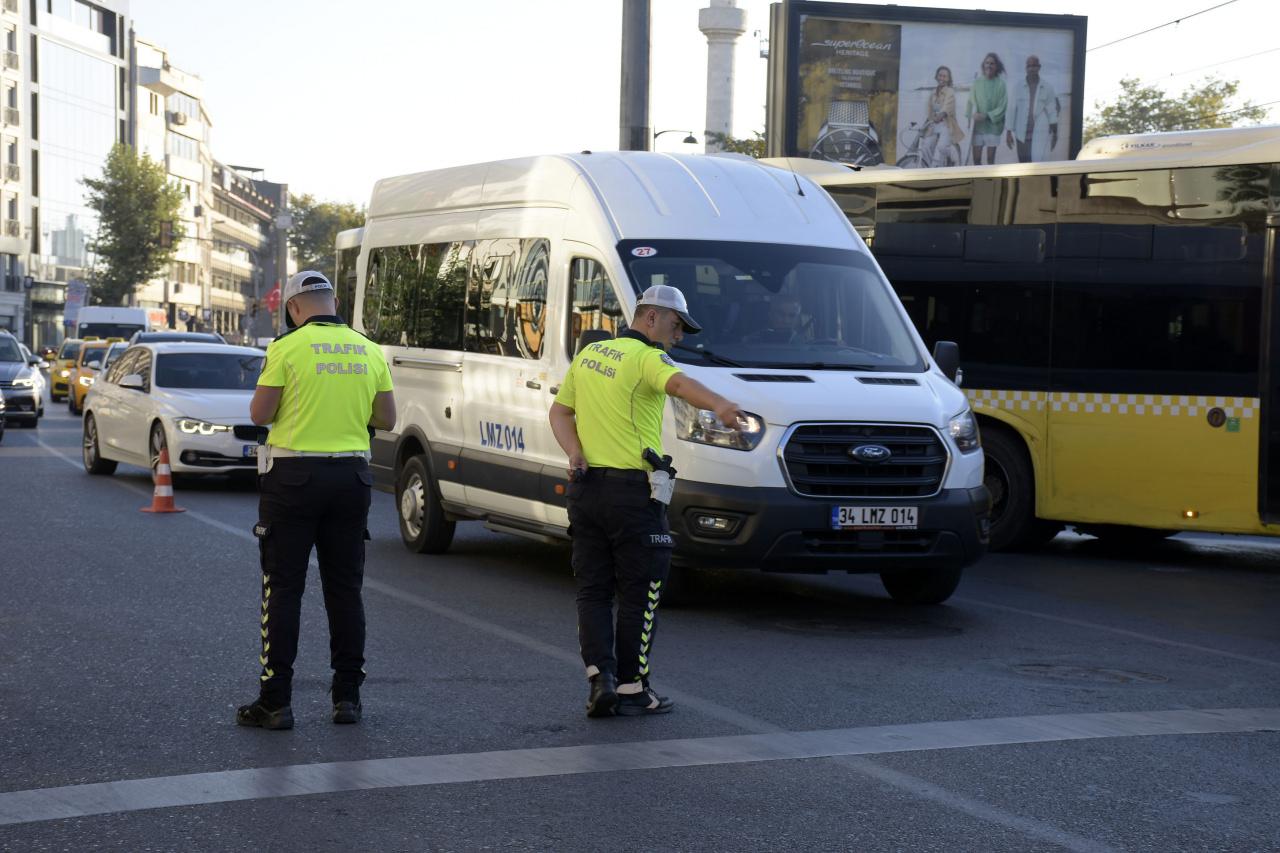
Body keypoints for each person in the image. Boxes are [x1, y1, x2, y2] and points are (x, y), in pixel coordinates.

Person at [549, 284, 744, 718]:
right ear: (651, 318)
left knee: (593, 591)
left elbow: (560, 412)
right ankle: (634, 689)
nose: (678, 338)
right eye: (676, 327)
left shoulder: (590, 354)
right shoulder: (647, 358)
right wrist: (722, 405)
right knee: (643, 589)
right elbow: (679, 384)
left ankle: (601, 681)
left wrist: (574, 452)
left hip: (587, 490)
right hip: (632, 495)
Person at [235, 270, 396, 730]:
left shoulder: (286, 348)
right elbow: (385, 417)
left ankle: (276, 700)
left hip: (293, 478)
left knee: (283, 588)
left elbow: (260, 413)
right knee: (345, 589)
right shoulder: (368, 349)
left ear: (292, 308)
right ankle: (347, 697)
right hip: (351, 477)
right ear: (334, 301)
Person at [1005, 54, 1060, 163]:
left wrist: (1055, 134)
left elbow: (1052, 112)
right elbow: (1011, 110)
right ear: (1026, 68)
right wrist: (1008, 132)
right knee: (1023, 164)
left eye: (1034, 66)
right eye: (1029, 66)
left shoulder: (1047, 88)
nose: (1032, 68)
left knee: (1036, 165)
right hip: (1021, 134)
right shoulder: (1018, 87)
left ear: (1039, 67)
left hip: (1040, 134)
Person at [966, 52, 1008, 165]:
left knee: (990, 160)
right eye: (987, 63)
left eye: (992, 63)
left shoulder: (1001, 84)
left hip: (993, 127)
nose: (989, 65)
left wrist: (986, 115)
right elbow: (970, 103)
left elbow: (1003, 106)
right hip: (977, 127)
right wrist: (969, 121)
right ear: (983, 65)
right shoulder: (976, 83)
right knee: (976, 160)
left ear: (996, 66)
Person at [921, 66, 964, 167]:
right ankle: (928, 167)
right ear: (936, 77)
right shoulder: (933, 93)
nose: (942, 78)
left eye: (945, 76)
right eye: (940, 75)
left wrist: (939, 116)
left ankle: (953, 159)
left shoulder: (950, 92)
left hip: (946, 125)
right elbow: (929, 112)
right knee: (925, 146)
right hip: (934, 125)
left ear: (948, 79)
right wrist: (926, 125)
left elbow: (946, 109)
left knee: (942, 147)